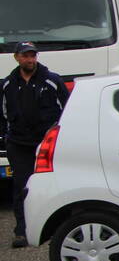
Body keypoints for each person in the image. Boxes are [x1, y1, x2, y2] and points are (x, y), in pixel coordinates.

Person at [1, 42, 70, 248]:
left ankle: (58, 228)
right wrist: (6, 135)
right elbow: (3, 114)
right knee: (22, 187)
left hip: (46, 144)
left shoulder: (52, 80)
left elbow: (67, 110)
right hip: (19, 144)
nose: (30, 60)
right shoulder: (7, 84)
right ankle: (21, 231)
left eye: (33, 56)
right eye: (25, 56)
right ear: (17, 58)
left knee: (54, 185)